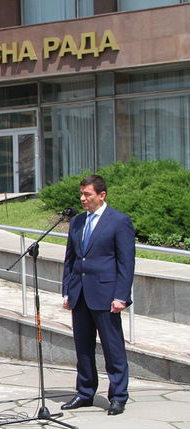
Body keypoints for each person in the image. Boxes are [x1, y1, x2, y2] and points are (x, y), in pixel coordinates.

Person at [61, 174, 135, 416]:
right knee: (83, 347)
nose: (83, 199)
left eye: (87, 194)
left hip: (106, 294)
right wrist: (67, 291)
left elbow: (126, 263)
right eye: (81, 194)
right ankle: (85, 392)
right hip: (80, 294)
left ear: (101, 195)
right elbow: (71, 259)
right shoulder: (78, 222)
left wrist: (121, 296)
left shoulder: (119, 221)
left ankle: (118, 396)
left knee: (113, 348)